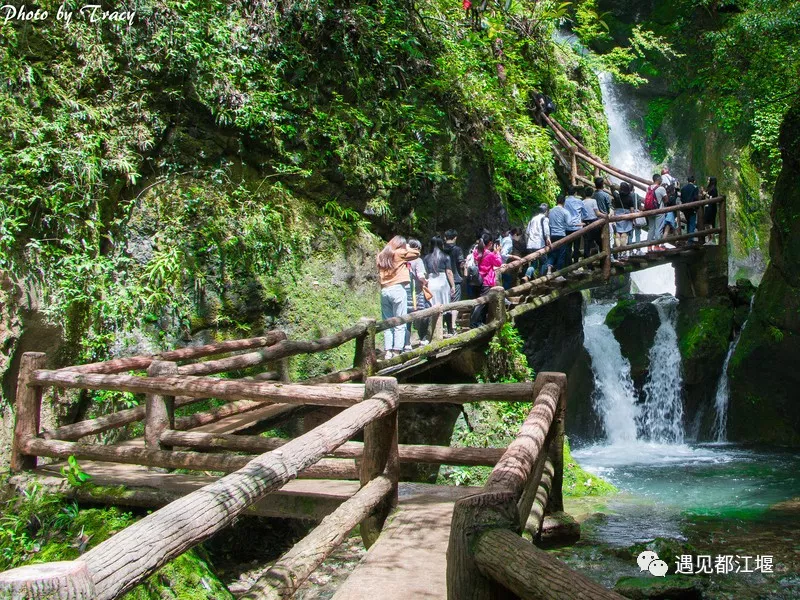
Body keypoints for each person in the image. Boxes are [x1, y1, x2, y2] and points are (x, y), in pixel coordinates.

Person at [377, 235, 420, 359]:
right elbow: (416, 253)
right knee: (400, 321)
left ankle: (388, 351)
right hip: (397, 289)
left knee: (387, 322)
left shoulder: (381, 255)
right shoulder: (399, 253)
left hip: (385, 290)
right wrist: (406, 247)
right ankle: (397, 351)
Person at [469, 233, 503, 328]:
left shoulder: (476, 252)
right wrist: (497, 253)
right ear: (490, 243)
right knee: (482, 302)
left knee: (476, 301)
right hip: (486, 281)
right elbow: (499, 263)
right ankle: (474, 323)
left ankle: (477, 321)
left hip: (476, 280)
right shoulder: (489, 254)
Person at [424, 236, 455, 329]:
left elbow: (425, 273)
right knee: (446, 304)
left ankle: (434, 329)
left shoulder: (426, 257)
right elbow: (449, 272)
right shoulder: (445, 256)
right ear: (442, 245)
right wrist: (453, 285)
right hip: (442, 282)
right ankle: (450, 329)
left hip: (431, 282)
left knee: (432, 305)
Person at [404, 239, 429, 350]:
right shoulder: (417, 260)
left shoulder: (403, 259)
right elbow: (420, 275)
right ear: (417, 248)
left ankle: (406, 344)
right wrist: (425, 282)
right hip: (416, 292)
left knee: (406, 317)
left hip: (404, 290)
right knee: (423, 314)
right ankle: (423, 338)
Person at [443, 230, 465, 336]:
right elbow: (461, 264)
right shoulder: (457, 249)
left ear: (445, 238)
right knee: (455, 304)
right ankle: (453, 327)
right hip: (455, 279)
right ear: (455, 238)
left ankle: (445, 327)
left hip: (443, 281)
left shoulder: (441, 249)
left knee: (445, 304)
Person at [525, 203, 550, 279]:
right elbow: (546, 231)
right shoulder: (545, 219)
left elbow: (527, 232)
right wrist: (548, 239)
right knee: (544, 262)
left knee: (534, 264)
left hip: (530, 245)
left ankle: (527, 276)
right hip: (539, 245)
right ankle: (541, 279)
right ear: (546, 211)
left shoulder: (532, 219)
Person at [546, 195, 570, 273]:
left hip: (552, 235)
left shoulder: (550, 211)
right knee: (561, 254)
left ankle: (549, 270)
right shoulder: (565, 211)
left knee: (552, 253)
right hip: (561, 235)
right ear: (564, 202)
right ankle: (558, 272)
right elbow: (569, 223)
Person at [581, 185, 606, 260]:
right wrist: (605, 215)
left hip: (585, 223)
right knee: (599, 242)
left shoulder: (582, 202)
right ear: (592, 194)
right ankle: (603, 260)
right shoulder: (593, 201)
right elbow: (597, 213)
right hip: (594, 223)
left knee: (587, 244)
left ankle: (588, 264)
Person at [645, 174, 668, 250]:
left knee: (651, 228)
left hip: (650, 210)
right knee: (658, 228)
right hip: (659, 211)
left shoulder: (648, 188)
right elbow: (666, 199)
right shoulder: (661, 188)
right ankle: (657, 246)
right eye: (661, 179)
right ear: (658, 179)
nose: (661, 180)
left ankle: (649, 247)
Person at [564, 186, 585, 264]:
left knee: (568, 247)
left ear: (567, 193)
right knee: (576, 247)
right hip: (577, 227)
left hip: (567, 227)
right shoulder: (579, 201)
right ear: (575, 193)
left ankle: (568, 264)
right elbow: (585, 213)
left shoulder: (564, 201)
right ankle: (576, 264)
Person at [613, 181, 635, 252]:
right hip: (626, 216)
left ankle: (618, 251)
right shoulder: (630, 197)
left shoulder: (617, 196)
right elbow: (632, 209)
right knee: (624, 235)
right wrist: (633, 218)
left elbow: (612, 188)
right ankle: (623, 252)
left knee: (617, 234)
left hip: (617, 216)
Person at [680, 176, 700, 243]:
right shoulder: (695, 188)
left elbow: (681, 198)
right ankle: (690, 240)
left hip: (685, 208)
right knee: (692, 224)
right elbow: (695, 198)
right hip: (692, 208)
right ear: (694, 181)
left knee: (688, 222)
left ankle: (689, 238)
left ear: (687, 181)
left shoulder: (683, 188)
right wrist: (697, 207)